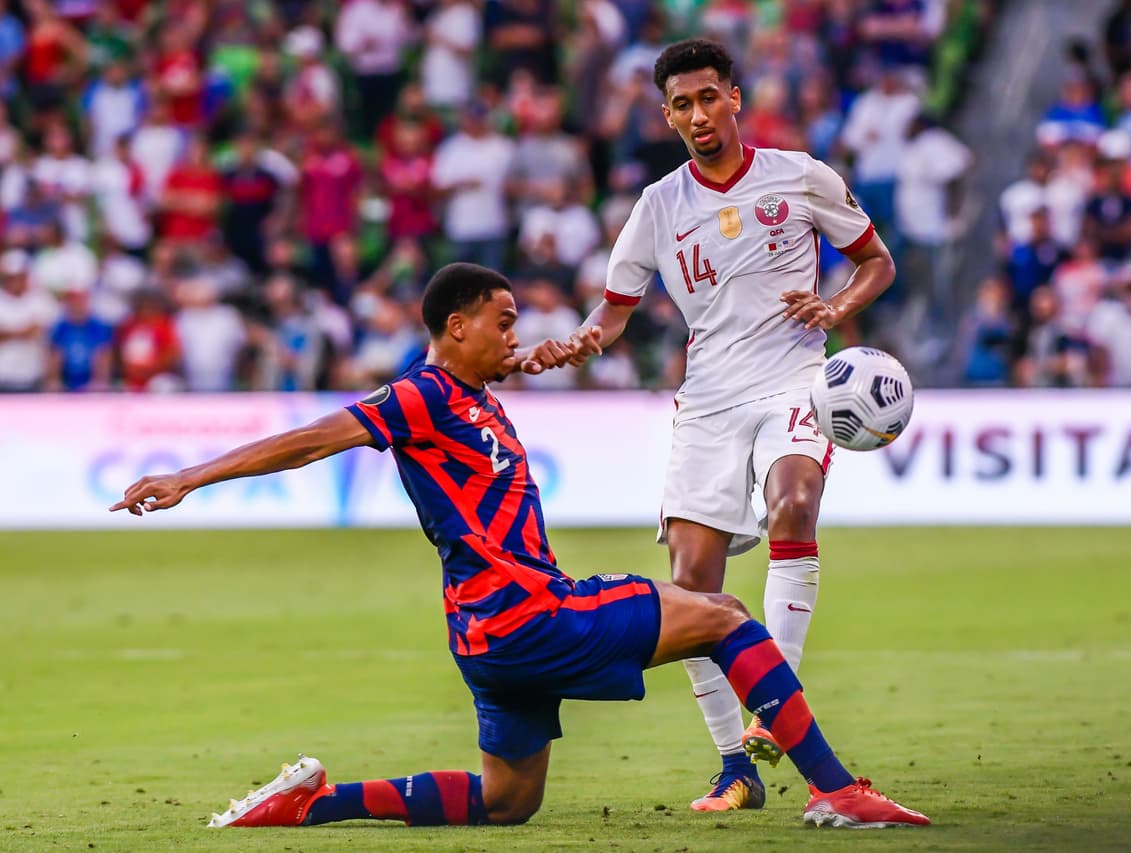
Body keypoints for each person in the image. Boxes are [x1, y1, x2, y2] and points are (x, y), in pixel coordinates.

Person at [108, 263, 929, 832]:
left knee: (507, 803)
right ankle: (836, 789)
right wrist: (190, 476)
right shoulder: (422, 395)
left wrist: (564, 347)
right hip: (531, 613)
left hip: (487, 638)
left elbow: (496, 387)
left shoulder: (473, 398)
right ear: (455, 326)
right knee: (723, 615)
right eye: (502, 324)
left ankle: (315, 802)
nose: (513, 338)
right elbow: (313, 438)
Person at [542, 39, 897, 812]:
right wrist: (578, 339)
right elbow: (615, 309)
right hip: (707, 401)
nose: (698, 114)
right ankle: (738, 766)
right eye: (682, 104)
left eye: (709, 97)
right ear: (667, 115)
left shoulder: (800, 176)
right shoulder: (657, 205)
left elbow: (877, 261)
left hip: (794, 380)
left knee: (794, 504)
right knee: (693, 588)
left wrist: (836, 306)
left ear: (735, 97)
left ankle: (777, 703)